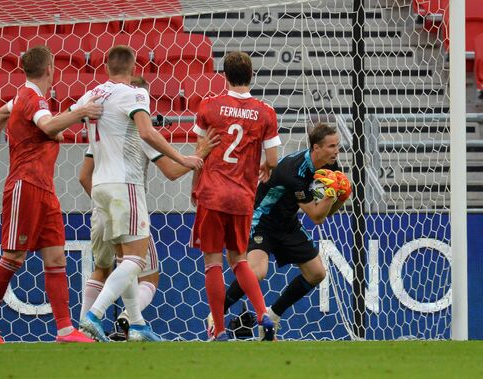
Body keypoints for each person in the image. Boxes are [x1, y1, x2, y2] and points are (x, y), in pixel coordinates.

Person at [0, 45, 103, 344]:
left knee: (55, 257)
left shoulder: (22, 98)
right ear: (50, 68)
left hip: (44, 188)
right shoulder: (32, 97)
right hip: (25, 186)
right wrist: (79, 112)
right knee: (13, 256)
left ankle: (65, 330)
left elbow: (1, 113)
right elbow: (48, 124)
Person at [77, 46, 203, 342]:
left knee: (118, 262)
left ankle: (136, 324)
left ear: (105, 66)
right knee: (137, 259)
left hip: (99, 188)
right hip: (126, 186)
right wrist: (186, 158)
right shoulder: (135, 95)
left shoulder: (93, 97)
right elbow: (148, 133)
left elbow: (66, 125)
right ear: (134, 69)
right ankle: (94, 315)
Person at [209, 122, 352, 340]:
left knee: (317, 273)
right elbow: (316, 217)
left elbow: (327, 213)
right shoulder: (294, 172)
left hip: (287, 223)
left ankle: (273, 316)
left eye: (337, 145)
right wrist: (332, 194)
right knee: (257, 272)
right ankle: (216, 315)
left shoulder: (332, 168)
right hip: (261, 220)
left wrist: (340, 198)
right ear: (316, 148)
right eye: (331, 146)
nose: (336, 151)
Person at [190, 51, 282, 341]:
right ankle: (262, 315)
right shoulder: (265, 111)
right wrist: (265, 166)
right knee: (240, 260)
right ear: (251, 76)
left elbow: (200, 152)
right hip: (242, 197)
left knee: (213, 263)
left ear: (225, 76)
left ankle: (218, 329)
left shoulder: (209, 107)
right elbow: (274, 159)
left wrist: (196, 185)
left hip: (213, 193)